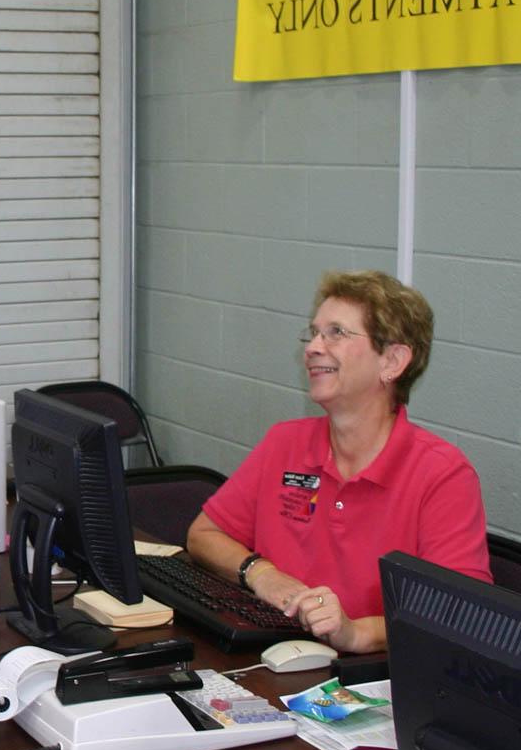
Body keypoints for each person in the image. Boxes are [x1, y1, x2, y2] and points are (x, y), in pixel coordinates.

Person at [186, 270, 491, 654]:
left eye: (336, 333)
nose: (313, 347)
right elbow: (203, 535)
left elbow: (462, 614)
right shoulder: (285, 442)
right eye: (313, 333)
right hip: (272, 658)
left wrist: (358, 633)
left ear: (393, 361)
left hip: (370, 683)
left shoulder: (443, 475)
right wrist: (262, 574)